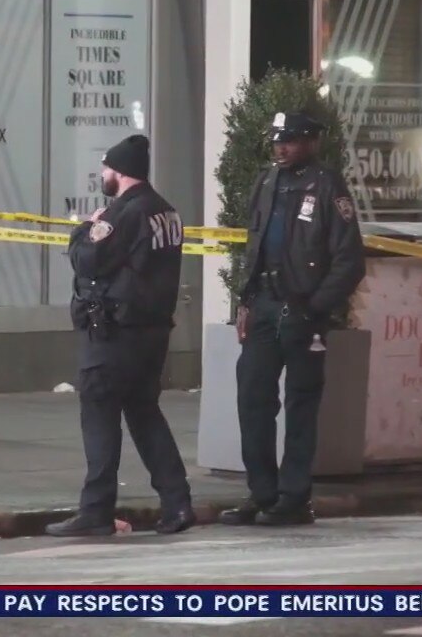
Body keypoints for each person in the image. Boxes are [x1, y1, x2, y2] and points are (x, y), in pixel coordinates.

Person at [219, 111, 367, 527]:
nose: (281, 148)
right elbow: (253, 247)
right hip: (264, 304)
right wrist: (245, 301)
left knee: (301, 406)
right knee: (253, 398)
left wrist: (316, 307)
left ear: (311, 142)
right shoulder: (267, 181)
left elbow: (350, 260)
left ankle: (294, 498)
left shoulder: (326, 185)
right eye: (277, 141)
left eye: (290, 141)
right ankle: (262, 493)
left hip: (302, 311)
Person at [45, 134, 196, 538]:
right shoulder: (166, 211)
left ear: (120, 172)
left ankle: (96, 511)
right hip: (152, 332)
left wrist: (85, 228)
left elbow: (88, 259)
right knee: (145, 414)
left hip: (114, 334)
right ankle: (177, 503)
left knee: (99, 417)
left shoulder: (125, 212)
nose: (102, 174)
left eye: (106, 168)